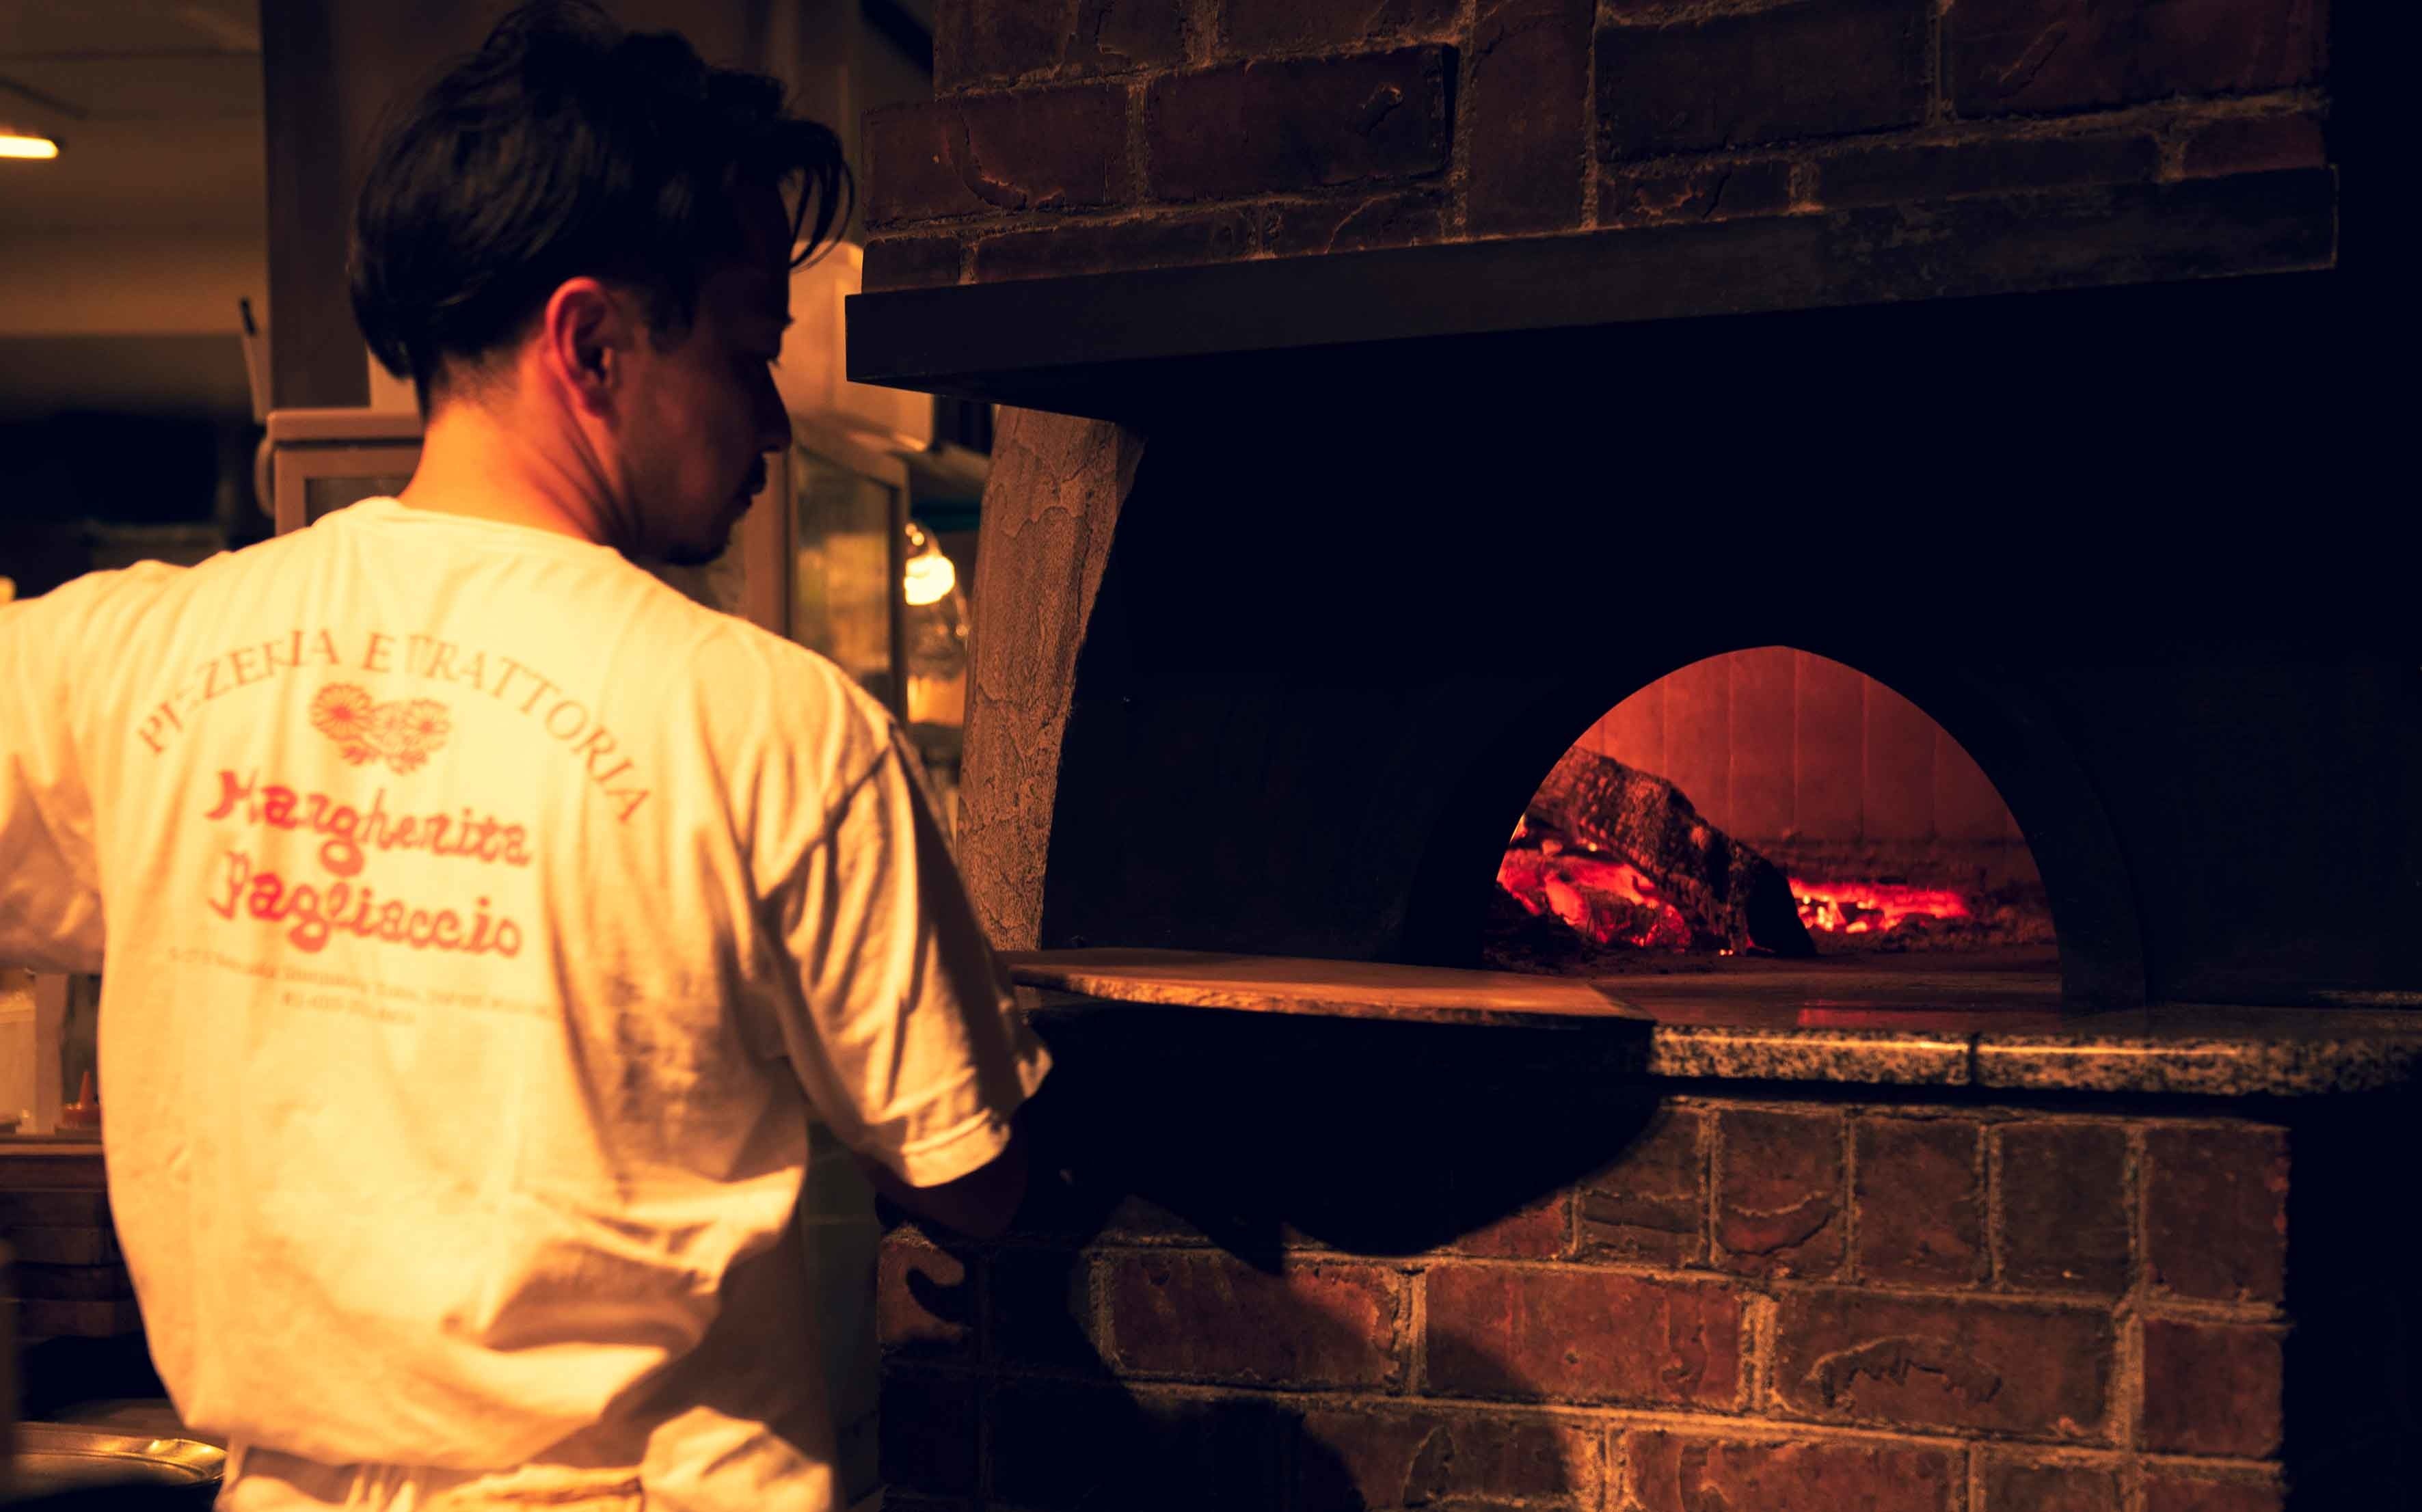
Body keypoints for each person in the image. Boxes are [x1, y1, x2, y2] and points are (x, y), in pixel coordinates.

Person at [0, 5, 1047, 1507]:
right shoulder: (773, 723)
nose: (768, 418)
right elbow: (979, 1177)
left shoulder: (119, 662)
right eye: (748, 348)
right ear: (591, 342)